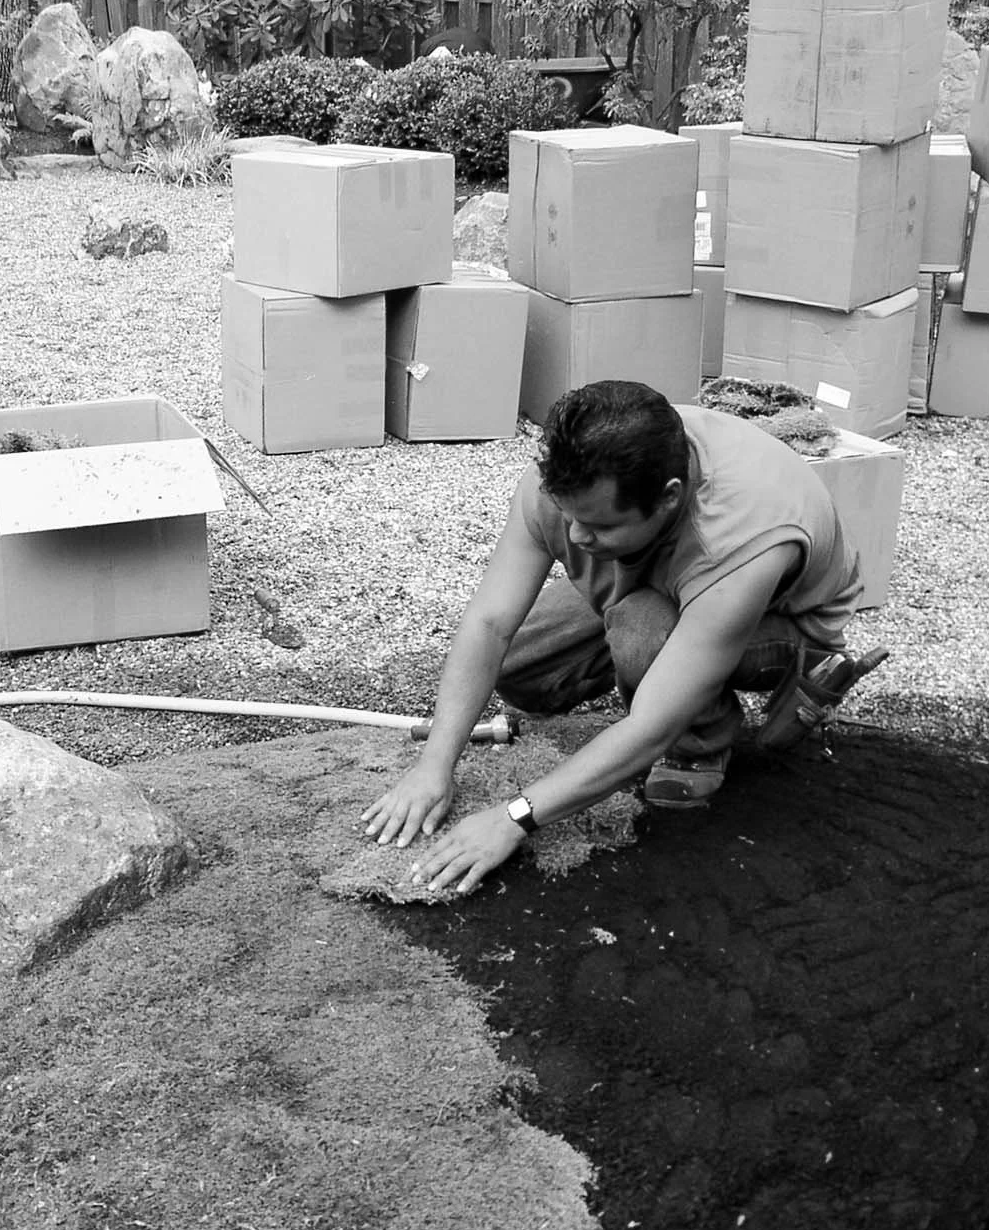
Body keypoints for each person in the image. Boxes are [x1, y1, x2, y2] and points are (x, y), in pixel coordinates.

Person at [362, 379, 867, 897]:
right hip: (656, 569)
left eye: (598, 525)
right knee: (518, 666)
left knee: (642, 630)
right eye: (568, 515)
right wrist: (434, 766)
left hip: (780, 618)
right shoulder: (570, 479)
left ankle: (704, 742)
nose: (577, 537)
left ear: (669, 499)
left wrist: (514, 818)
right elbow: (489, 624)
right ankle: (639, 622)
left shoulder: (743, 536)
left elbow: (650, 726)